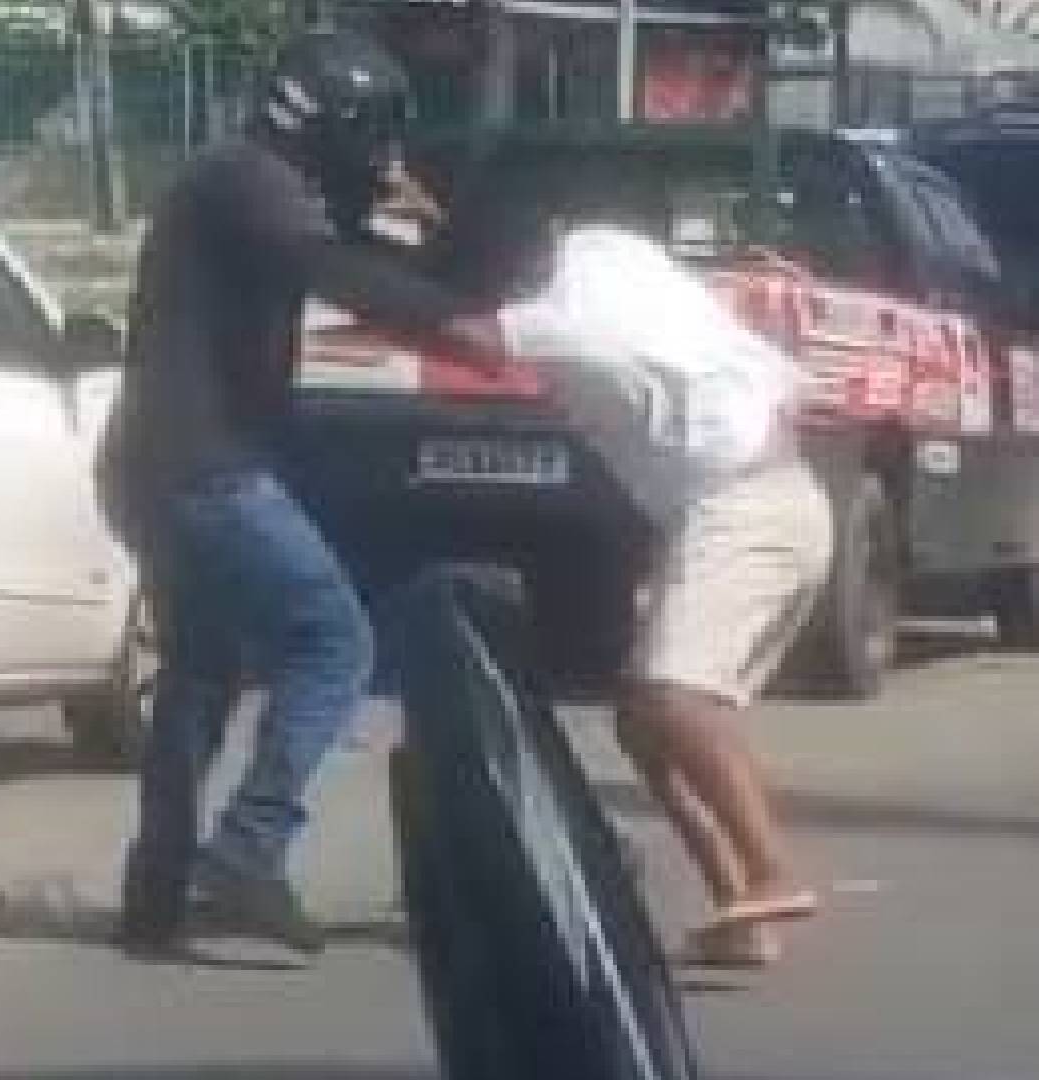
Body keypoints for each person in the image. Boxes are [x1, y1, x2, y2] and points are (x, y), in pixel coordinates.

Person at [101, 29, 482, 957]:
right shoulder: (249, 181)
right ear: (329, 121)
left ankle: (157, 891)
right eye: (373, 135)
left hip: (161, 463)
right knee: (334, 641)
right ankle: (250, 846)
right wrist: (466, 327)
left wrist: (432, 237)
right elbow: (340, 270)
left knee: (199, 674)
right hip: (205, 468)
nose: (382, 156)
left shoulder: (241, 182)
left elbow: (357, 249)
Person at [451, 171, 834, 968]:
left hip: (743, 507)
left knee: (676, 698)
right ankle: (741, 908)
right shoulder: (608, 250)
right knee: (643, 722)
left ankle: (772, 871)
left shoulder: (557, 322)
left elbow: (467, 336)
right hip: (775, 498)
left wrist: (348, 282)